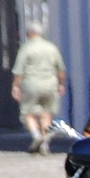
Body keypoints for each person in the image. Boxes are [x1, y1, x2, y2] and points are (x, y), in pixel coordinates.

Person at [11, 23, 66, 154]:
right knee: (46, 113)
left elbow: (19, 70)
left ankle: (36, 136)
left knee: (27, 113)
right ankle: (45, 143)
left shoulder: (26, 48)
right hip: (50, 83)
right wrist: (61, 84)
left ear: (30, 33)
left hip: (31, 83)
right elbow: (60, 69)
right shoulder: (52, 47)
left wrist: (15, 86)